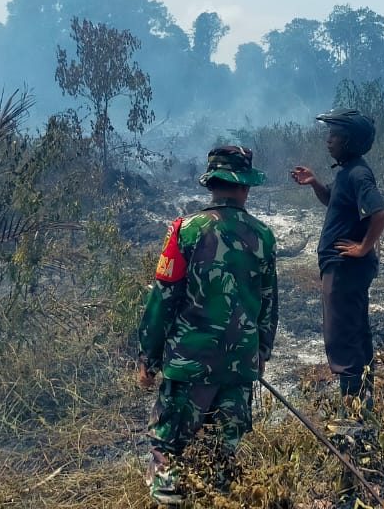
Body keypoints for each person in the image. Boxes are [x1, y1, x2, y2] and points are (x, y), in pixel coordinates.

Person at [137, 146, 278, 505]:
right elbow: (269, 302)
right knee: (220, 467)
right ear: (245, 187)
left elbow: (162, 300)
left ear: (212, 185)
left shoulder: (185, 231)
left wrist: (148, 358)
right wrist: (261, 351)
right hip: (238, 369)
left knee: (167, 455)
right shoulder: (263, 236)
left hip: (189, 367)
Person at [290, 109, 384, 404]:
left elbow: (380, 212)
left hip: (346, 267)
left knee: (340, 333)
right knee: (354, 328)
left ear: (349, 141)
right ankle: (363, 398)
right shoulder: (347, 172)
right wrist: (315, 183)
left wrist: (363, 247)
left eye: (334, 135)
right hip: (342, 267)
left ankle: (353, 407)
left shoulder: (358, 172)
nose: (328, 140)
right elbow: (333, 200)